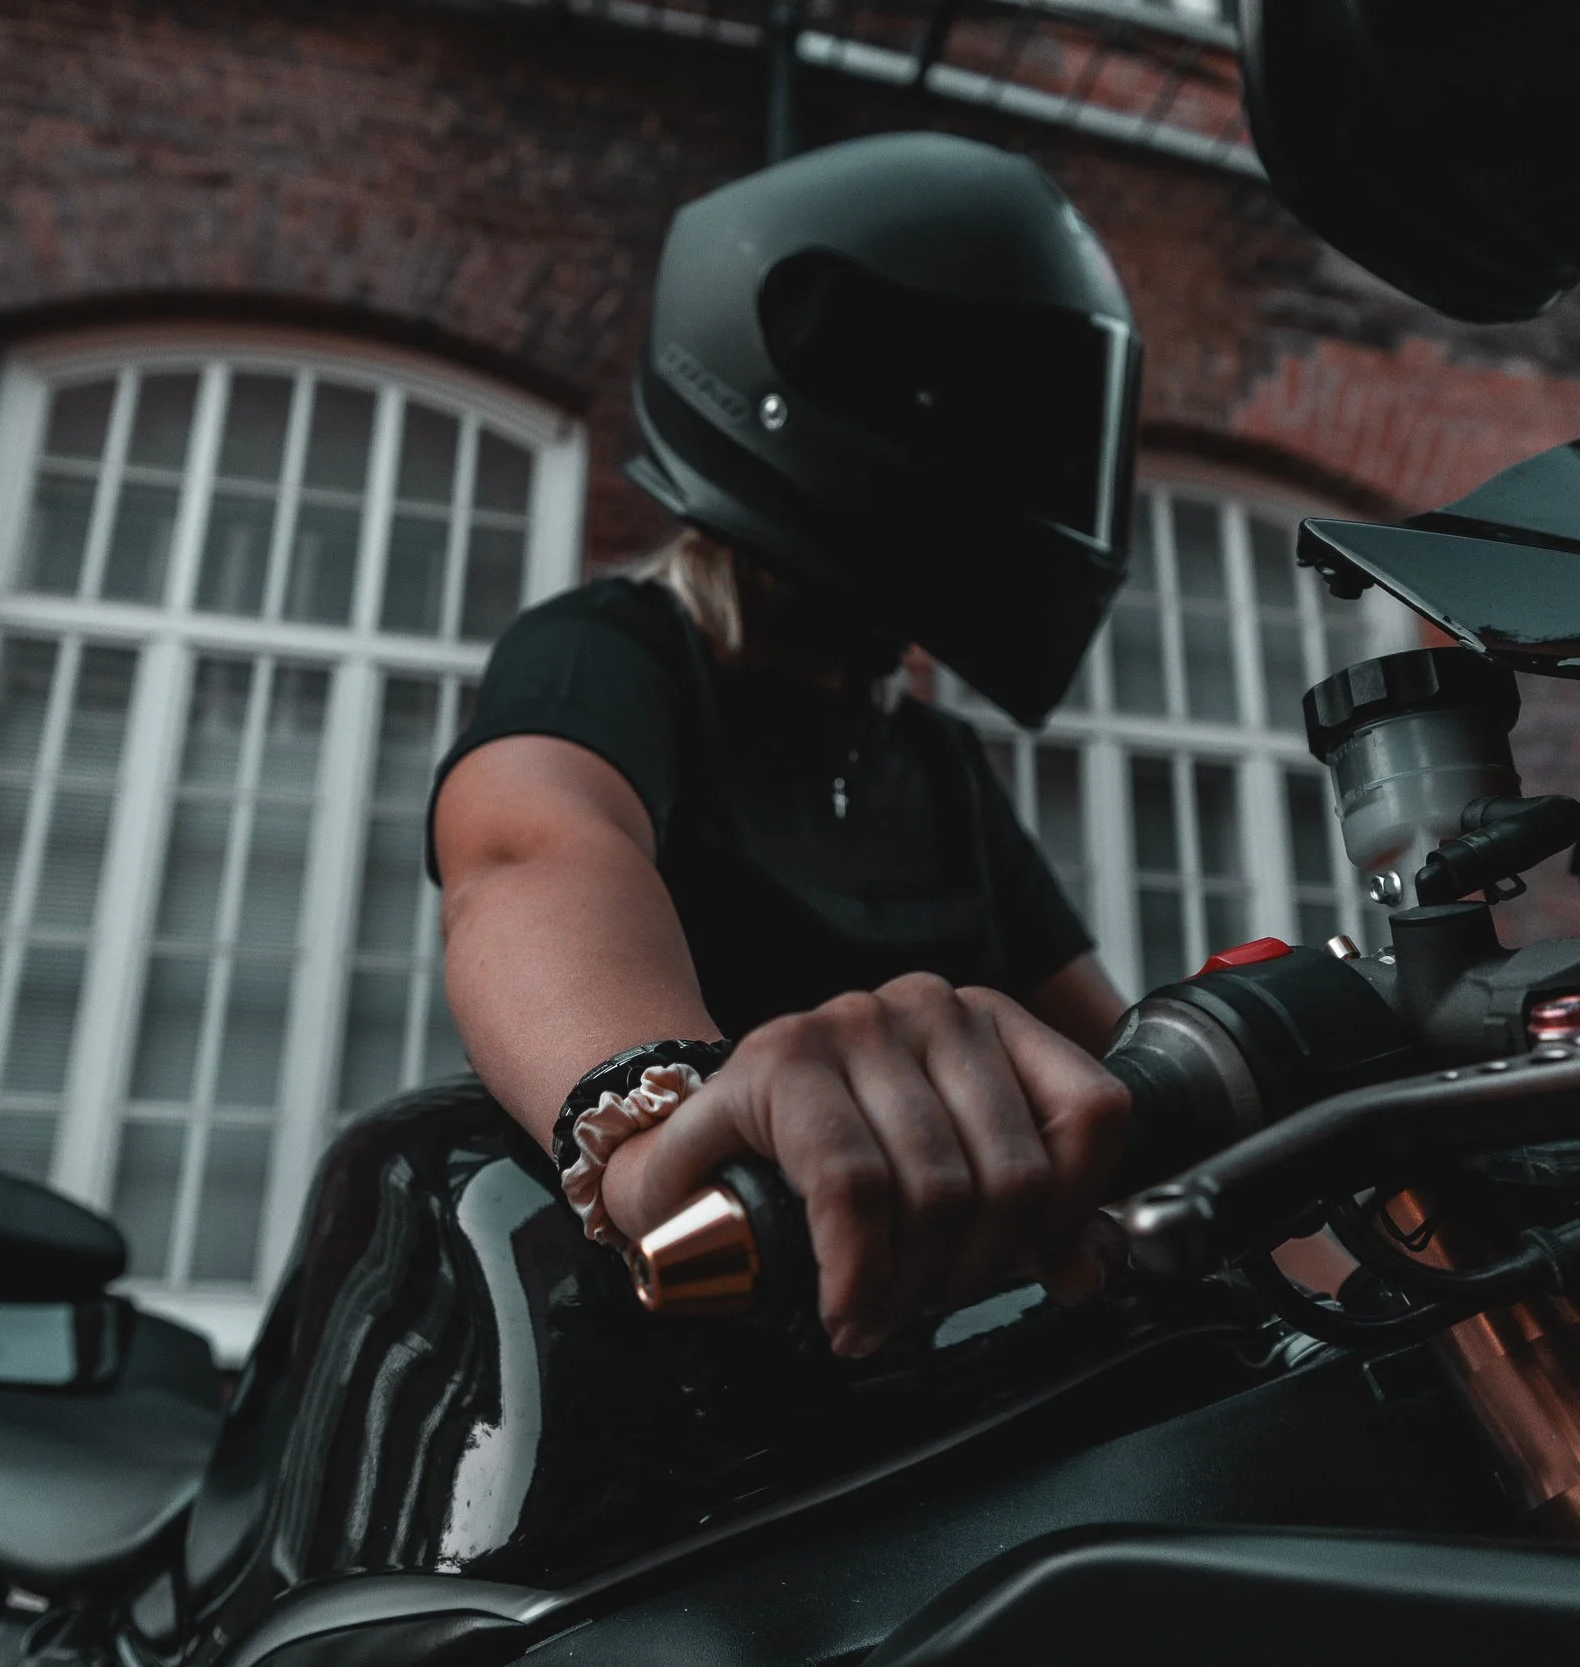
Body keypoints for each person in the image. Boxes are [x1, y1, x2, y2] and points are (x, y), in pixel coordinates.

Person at [429, 132, 1145, 1360]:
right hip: (669, 1363)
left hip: (932, 1375)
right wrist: (653, 1135)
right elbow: (529, 853)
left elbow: (1114, 1062)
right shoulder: (615, 649)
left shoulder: (932, 762)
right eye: (969, 407)